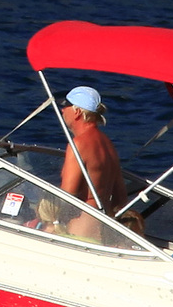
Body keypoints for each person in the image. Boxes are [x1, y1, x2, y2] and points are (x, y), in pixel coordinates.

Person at [57, 84, 133, 222]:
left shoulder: (79, 144)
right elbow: (120, 197)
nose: (62, 110)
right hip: (102, 223)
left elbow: (67, 196)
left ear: (77, 111)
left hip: (79, 226)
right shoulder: (108, 144)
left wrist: (48, 218)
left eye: (66, 105)